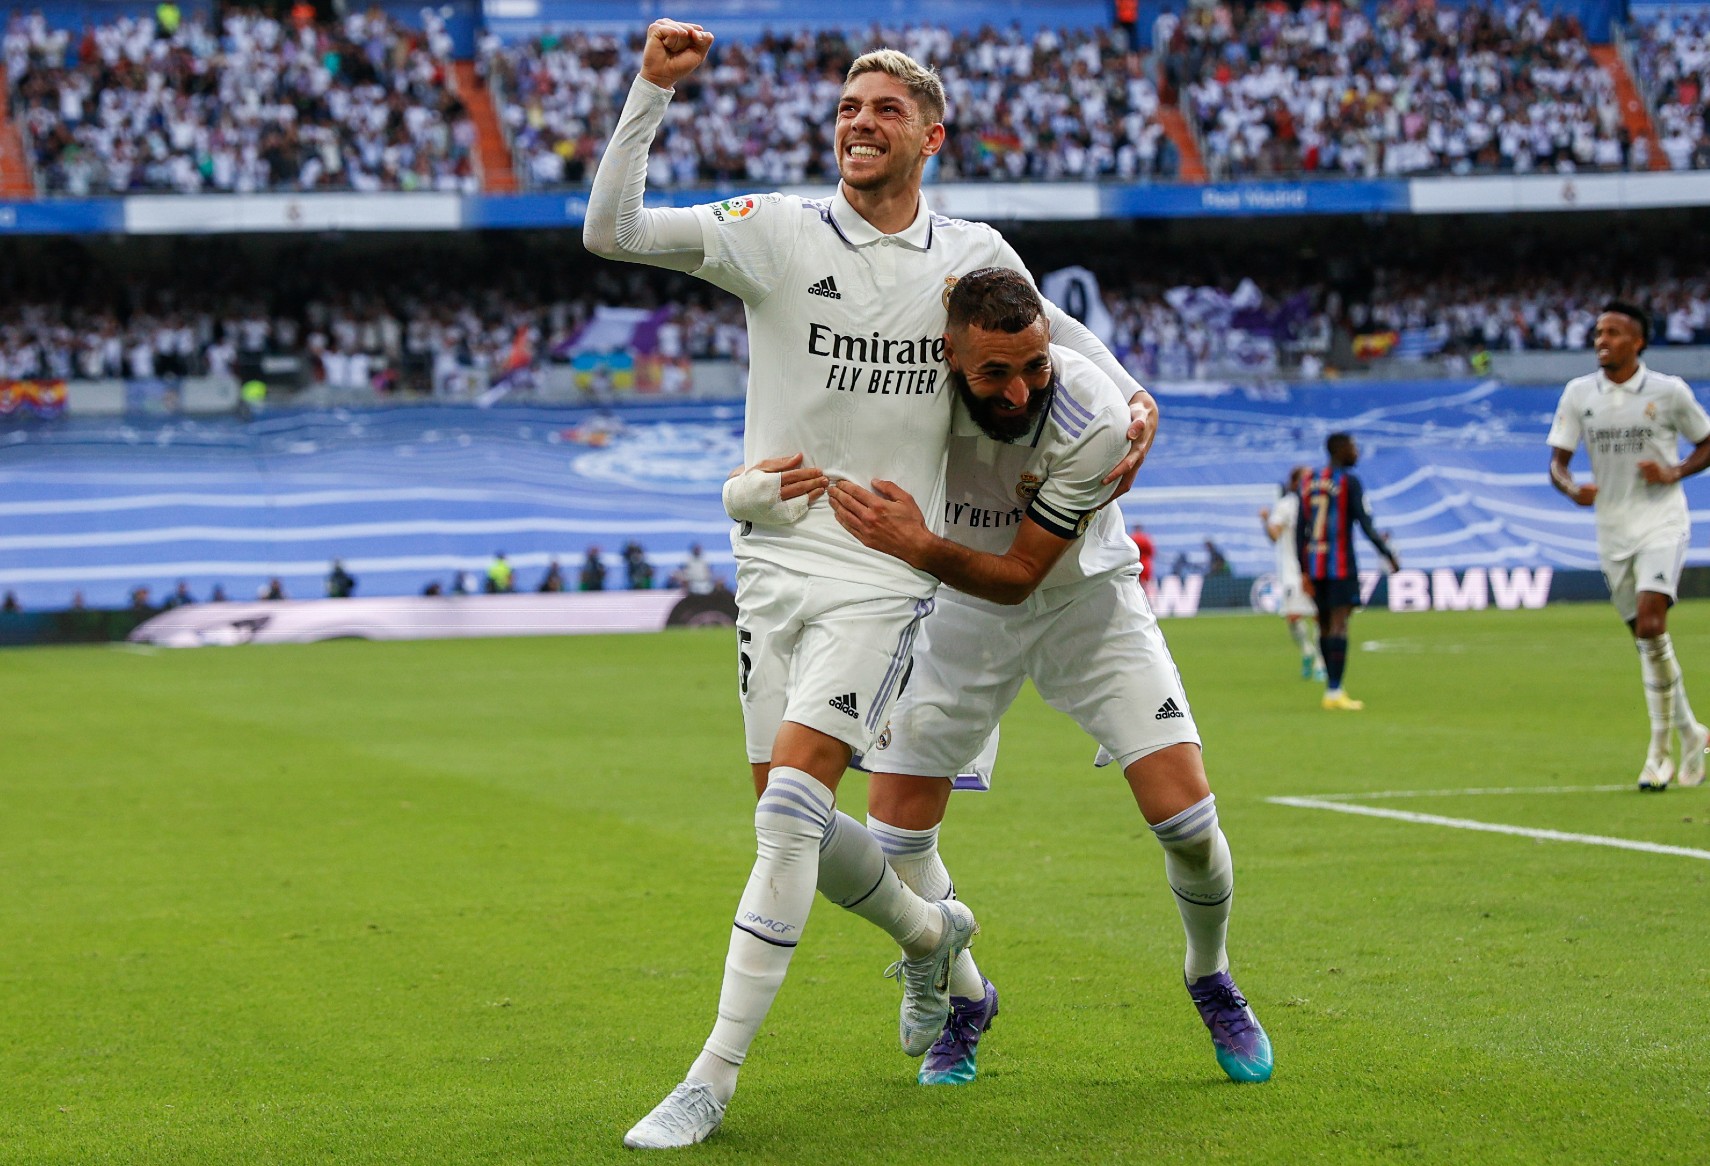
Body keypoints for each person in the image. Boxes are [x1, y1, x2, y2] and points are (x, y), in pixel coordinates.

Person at [585, 20, 1155, 1149]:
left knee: (792, 812)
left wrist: (1139, 400)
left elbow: (1069, 347)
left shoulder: (972, 253)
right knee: (785, 808)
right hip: (772, 562)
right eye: (848, 109)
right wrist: (649, 91)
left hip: (885, 571)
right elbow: (615, 231)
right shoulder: (778, 234)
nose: (859, 123)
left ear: (929, 135)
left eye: (884, 111)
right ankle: (935, 939)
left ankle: (712, 1074)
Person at [826, 268, 1270, 1089]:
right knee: (893, 837)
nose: (1022, 389)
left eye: (1035, 365)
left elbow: (1023, 574)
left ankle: (1209, 975)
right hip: (956, 614)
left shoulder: (1093, 412)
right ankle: (967, 998)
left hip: (1086, 600)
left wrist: (916, 543)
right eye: (995, 373)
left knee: (1188, 821)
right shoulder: (902, 387)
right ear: (947, 353)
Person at [1547, 301, 1710, 790]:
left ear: (1637, 341)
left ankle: (1658, 754)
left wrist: (1675, 471)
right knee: (1647, 640)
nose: (1602, 340)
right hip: (1611, 529)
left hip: (1662, 521)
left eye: (1614, 332)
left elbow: (1707, 440)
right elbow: (1557, 462)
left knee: (1653, 622)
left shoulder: (1668, 391)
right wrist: (1572, 488)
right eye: (1598, 332)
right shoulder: (1579, 394)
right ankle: (1692, 732)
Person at [1297, 433, 1399, 710]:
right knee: (1340, 624)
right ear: (1340, 450)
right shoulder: (1348, 482)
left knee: (1325, 623)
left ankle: (1330, 689)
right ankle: (1334, 691)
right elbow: (1365, 524)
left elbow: (1300, 529)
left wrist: (1303, 570)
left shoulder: (1308, 481)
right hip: (1340, 564)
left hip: (1315, 565)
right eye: (1352, 447)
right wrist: (1388, 554)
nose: (1356, 452)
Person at [1260, 467, 1325, 680]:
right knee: (1293, 617)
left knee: (1320, 617)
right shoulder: (1287, 505)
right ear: (1296, 482)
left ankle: (1320, 663)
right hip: (1291, 571)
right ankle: (1307, 651)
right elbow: (1274, 536)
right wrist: (1265, 520)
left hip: (1315, 568)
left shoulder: (1318, 502)